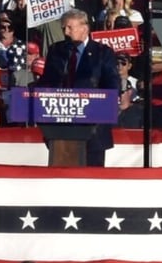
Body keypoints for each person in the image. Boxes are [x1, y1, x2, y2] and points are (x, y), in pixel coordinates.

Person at [37, 9, 119, 167]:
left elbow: (111, 84)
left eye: (69, 27)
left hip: (93, 128)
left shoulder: (102, 53)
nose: (65, 32)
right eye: (63, 28)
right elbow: (48, 82)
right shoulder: (56, 50)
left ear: (84, 28)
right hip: (61, 128)